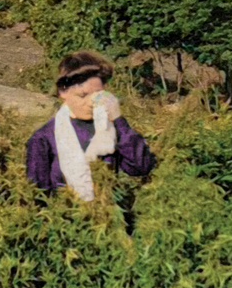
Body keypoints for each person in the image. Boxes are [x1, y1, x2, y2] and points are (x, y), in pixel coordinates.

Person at [25, 50, 155, 202]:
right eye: (82, 95)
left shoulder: (108, 129)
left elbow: (142, 167)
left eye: (97, 95)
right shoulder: (44, 138)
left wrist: (118, 119)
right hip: (65, 218)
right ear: (63, 92)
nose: (91, 103)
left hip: (108, 214)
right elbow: (37, 195)